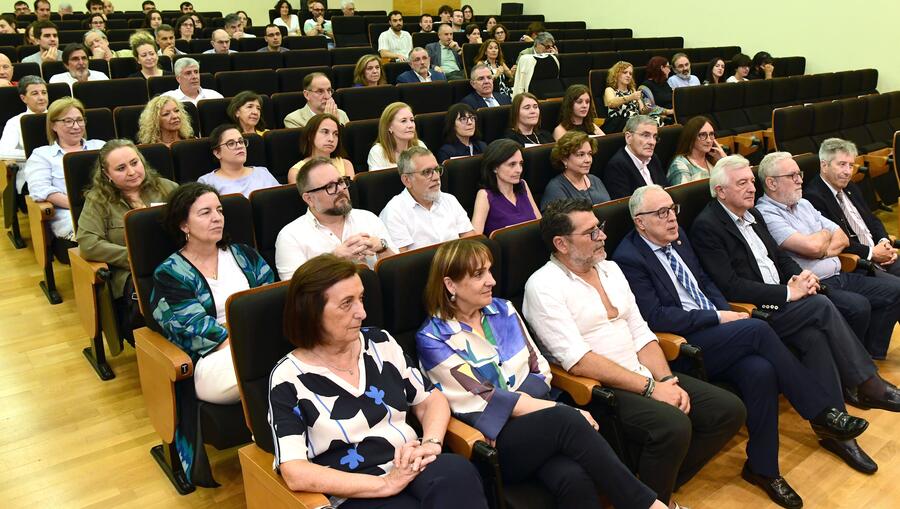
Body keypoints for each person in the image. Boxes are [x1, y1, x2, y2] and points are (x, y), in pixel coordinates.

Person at [615, 185, 872, 506]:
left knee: (760, 371)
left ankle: (763, 468)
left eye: (673, 209)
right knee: (759, 331)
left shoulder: (678, 239)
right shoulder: (628, 258)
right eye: (662, 213)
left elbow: (704, 283)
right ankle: (821, 413)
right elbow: (656, 317)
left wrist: (725, 311)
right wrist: (721, 318)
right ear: (640, 222)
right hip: (684, 345)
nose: (672, 219)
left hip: (718, 329)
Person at [523, 198, 746, 508]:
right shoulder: (543, 285)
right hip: (600, 392)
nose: (602, 236)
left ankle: (648, 491)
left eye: (600, 227)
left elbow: (641, 332)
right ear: (561, 243)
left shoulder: (611, 268)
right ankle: (652, 499)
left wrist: (667, 379)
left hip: (644, 374)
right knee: (673, 426)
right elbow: (578, 360)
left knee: (728, 410)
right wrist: (652, 389)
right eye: (591, 233)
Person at [418, 239, 667, 509]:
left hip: (540, 423)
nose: (491, 280)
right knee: (566, 417)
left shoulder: (503, 310)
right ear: (450, 284)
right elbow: (486, 400)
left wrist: (521, 402)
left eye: (490, 271)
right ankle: (649, 506)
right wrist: (549, 408)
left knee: (574, 479)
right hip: (494, 441)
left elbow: (540, 369)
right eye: (479, 275)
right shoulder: (434, 338)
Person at [270, 254, 488, 508]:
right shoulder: (288, 377)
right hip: (355, 488)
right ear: (311, 312)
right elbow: (295, 471)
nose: (361, 313)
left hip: (410, 462)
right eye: (346, 304)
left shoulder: (379, 342)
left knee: (457, 474)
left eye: (361, 299)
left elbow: (430, 400)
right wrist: (385, 484)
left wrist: (430, 443)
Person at [688, 155, 900, 416]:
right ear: (720, 191)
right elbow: (731, 286)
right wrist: (789, 291)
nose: (752, 188)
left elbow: (779, 257)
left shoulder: (751, 213)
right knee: (821, 305)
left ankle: (833, 418)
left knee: (815, 338)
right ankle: (870, 384)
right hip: (757, 309)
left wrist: (802, 277)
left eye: (752, 182)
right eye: (742, 183)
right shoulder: (707, 226)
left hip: (783, 296)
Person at [152, 182, 273, 486]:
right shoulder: (170, 272)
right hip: (209, 363)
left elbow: (271, 299)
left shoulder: (244, 255)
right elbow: (192, 330)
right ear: (184, 224)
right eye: (205, 213)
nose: (217, 218)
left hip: (254, 345)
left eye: (219, 210)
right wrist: (250, 339)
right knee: (282, 364)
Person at [755, 152, 900, 360]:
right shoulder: (766, 213)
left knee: (896, 289)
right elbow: (811, 247)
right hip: (817, 284)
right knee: (858, 307)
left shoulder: (803, 204)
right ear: (771, 183)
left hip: (841, 273)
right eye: (792, 176)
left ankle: (870, 356)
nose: (800, 180)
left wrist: (820, 246)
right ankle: (854, 364)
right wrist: (823, 237)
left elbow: (842, 237)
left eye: (800, 174)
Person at [77, 139, 179, 339]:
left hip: (176, 262)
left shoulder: (167, 188)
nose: (131, 172)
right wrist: (134, 257)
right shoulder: (98, 199)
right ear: (107, 175)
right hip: (130, 273)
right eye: (121, 168)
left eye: (134, 163)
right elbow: (88, 243)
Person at [276, 158, 395, 279]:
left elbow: (397, 275)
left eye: (341, 181)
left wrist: (382, 247)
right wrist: (333, 260)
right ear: (309, 199)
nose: (341, 189)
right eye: (330, 186)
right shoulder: (290, 237)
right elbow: (296, 292)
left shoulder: (368, 218)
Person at [805, 138, 900, 277]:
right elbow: (837, 241)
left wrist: (884, 242)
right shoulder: (813, 197)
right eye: (842, 164)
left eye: (851, 165)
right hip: (859, 264)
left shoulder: (850, 186)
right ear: (824, 165)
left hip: (879, 252)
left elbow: (872, 219)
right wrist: (872, 253)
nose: (848, 172)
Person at [23, 97, 106, 242]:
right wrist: (84, 207)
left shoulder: (101, 146)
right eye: (68, 121)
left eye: (80, 120)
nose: (76, 126)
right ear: (53, 126)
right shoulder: (42, 155)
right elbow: (40, 189)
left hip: (109, 207)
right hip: (70, 213)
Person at [379, 146, 476, 251]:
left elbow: (472, 244)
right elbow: (401, 263)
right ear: (407, 180)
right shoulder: (394, 212)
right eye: (426, 172)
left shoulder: (450, 200)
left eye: (437, 170)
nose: (436, 177)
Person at [471, 139, 539, 235]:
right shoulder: (484, 195)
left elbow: (539, 222)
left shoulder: (523, 185)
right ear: (495, 167)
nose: (519, 170)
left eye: (521, 164)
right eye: (512, 164)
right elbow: (476, 239)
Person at [197, 124, 279, 198]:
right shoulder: (206, 182)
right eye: (231, 143)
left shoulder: (263, 173)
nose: (239, 146)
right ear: (217, 153)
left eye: (241, 141)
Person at [540, 131, 610, 210]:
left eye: (589, 154)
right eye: (581, 155)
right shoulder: (555, 189)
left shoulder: (595, 180)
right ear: (564, 159)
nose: (588, 160)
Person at [603, 115, 667, 199]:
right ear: (628, 137)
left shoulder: (653, 158)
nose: (652, 142)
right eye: (645, 135)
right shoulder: (617, 166)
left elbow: (666, 190)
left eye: (654, 137)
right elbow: (625, 206)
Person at [287, 113, 354, 184]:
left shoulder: (346, 164)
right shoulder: (296, 172)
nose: (331, 139)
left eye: (335, 134)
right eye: (325, 132)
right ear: (310, 136)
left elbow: (351, 193)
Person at [1, 76, 48, 169]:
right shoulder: (14, 122)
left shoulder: (60, 117)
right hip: (29, 171)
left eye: (44, 92)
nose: (41, 97)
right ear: (23, 98)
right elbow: (3, 152)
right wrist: (39, 154)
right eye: (35, 93)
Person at [666, 116, 727, 185]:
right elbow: (684, 195)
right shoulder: (680, 164)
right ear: (691, 137)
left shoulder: (715, 159)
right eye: (703, 135)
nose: (709, 140)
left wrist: (724, 160)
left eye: (711, 134)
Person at [367, 102, 427, 171]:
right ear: (389, 126)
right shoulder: (378, 152)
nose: (411, 125)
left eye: (412, 120)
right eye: (403, 121)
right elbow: (376, 181)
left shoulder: (420, 145)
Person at [284, 72, 349, 128]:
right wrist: (329, 121)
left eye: (329, 90)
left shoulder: (342, 114)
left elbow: (345, 141)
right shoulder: (293, 120)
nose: (327, 96)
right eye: (320, 91)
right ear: (306, 95)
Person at [603, 61, 648, 134]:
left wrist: (647, 109)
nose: (628, 75)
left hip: (636, 121)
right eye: (625, 72)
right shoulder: (610, 90)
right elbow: (611, 103)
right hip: (619, 123)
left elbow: (642, 111)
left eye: (630, 73)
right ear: (616, 74)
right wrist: (630, 97)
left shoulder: (632, 90)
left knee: (657, 119)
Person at [639, 56, 674, 123]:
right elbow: (649, 108)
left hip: (673, 115)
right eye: (668, 67)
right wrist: (669, 111)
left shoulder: (665, 83)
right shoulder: (645, 86)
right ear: (661, 68)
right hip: (662, 118)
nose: (669, 70)